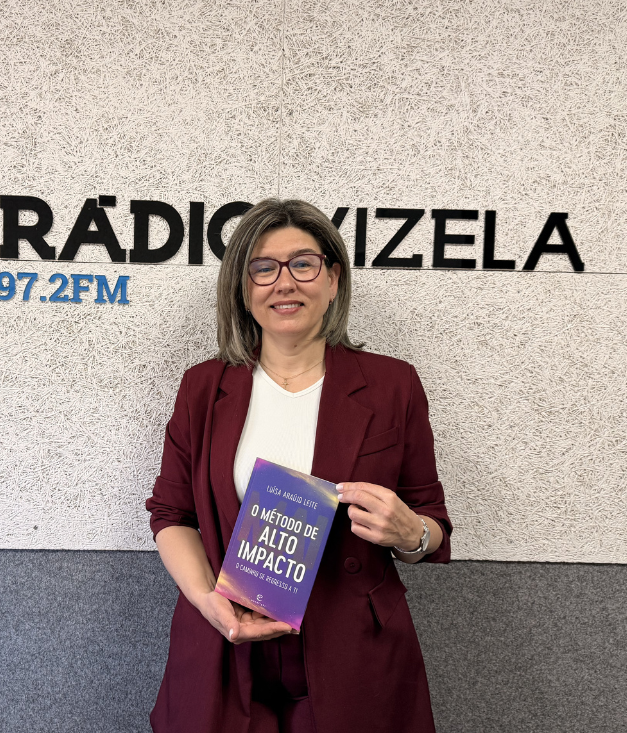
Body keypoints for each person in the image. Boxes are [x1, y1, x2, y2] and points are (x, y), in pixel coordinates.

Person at [145, 199, 452, 733]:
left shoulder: (392, 385)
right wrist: (206, 599)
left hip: (352, 654)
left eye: (303, 264)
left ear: (333, 279)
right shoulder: (203, 387)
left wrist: (411, 534)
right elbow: (172, 513)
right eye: (263, 268)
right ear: (243, 288)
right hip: (227, 646)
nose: (284, 282)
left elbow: (432, 522)